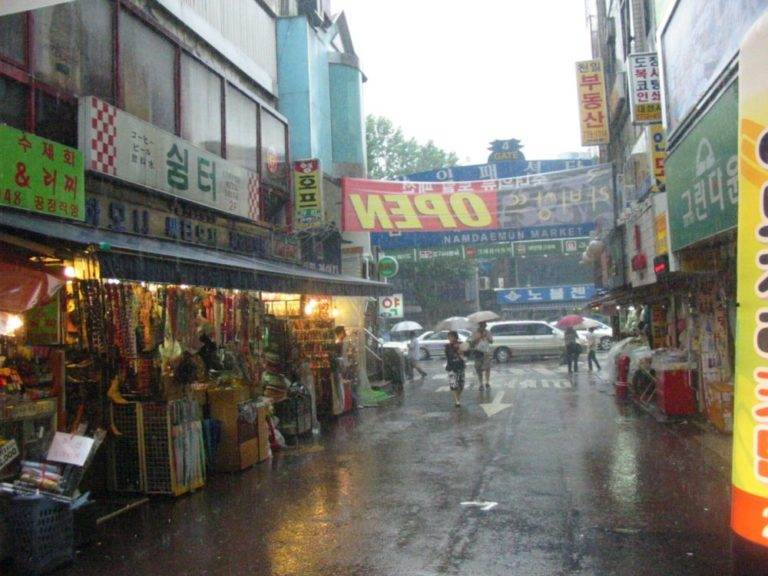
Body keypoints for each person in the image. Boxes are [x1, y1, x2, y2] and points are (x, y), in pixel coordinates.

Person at [444, 331, 466, 407]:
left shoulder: (462, 344)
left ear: (456, 337)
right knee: (453, 385)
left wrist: (461, 351)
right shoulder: (447, 346)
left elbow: (467, 354)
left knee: (461, 385)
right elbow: (449, 356)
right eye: (449, 337)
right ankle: (457, 401)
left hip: (460, 367)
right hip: (451, 368)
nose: (450, 338)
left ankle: (457, 397)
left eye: (451, 337)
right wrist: (455, 350)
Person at [471, 321, 494, 389]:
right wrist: (479, 337)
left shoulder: (488, 332)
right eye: (483, 325)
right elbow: (472, 343)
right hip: (478, 352)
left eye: (485, 325)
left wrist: (487, 337)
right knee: (478, 369)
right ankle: (480, 383)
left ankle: (487, 382)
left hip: (486, 352)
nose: (484, 326)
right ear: (480, 325)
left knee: (487, 368)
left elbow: (491, 341)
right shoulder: (475, 333)